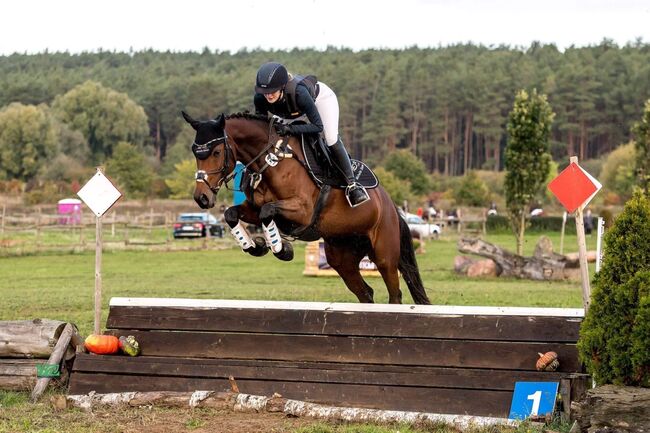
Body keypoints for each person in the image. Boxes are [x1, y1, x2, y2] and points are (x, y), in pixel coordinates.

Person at [253, 62, 369, 207]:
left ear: (282, 86)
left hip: (320, 100)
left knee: (331, 138)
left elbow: (317, 126)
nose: (268, 95)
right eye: (265, 92)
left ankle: (352, 185)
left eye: (272, 91)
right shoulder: (260, 98)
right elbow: (261, 128)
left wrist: (290, 130)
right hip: (291, 111)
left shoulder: (300, 93)